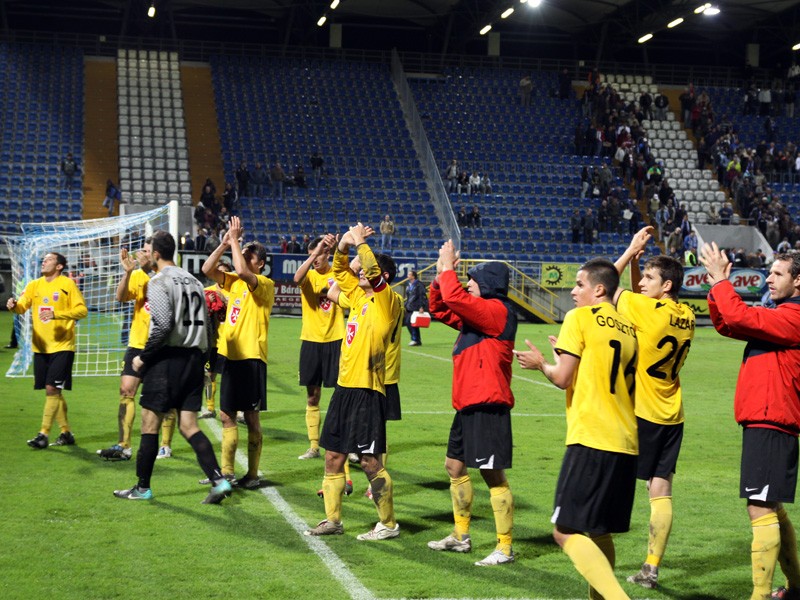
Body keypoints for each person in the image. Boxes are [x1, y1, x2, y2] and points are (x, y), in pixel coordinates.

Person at [514, 258, 638, 599]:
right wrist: (563, 358)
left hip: (592, 437)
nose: (573, 291)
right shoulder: (628, 327)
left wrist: (542, 364)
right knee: (599, 531)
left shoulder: (578, 317)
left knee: (565, 531)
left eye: (579, 284)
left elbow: (562, 378)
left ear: (599, 289)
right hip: (626, 440)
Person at [701, 244, 800, 600]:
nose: (769, 278)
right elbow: (728, 323)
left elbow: (741, 317)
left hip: (772, 421)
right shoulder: (782, 314)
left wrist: (720, 281)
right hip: (767, 421)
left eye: (778, 273)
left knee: (760, 506)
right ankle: (797, 586)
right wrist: (717, 287)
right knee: (770, 506)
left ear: (798, 281)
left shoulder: (794, 317)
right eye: (769, 272)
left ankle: (760, 595)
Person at [112, 230, 232, 504]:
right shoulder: (194, 281)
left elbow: (163, 325)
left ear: (156, 254)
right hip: (194, 359)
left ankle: (142, 487)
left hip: (168, 360)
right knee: (188, 425)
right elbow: (207, 325)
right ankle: (219, 480)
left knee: (149, 423)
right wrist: (202, 358)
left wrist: (144, 356)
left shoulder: (159, 281)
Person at [304, 223, 401, 541]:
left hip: (368, 391)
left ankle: (388, 524)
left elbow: (371, 272)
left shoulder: (387, 302)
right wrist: (343, 245)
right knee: (333, 456)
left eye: (367, 272)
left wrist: (360, 242)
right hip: (344, 388)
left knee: (370, 462)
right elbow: (341, 271)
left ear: (383, 276)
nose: (359, 273)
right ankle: (332, 520)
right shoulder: (359, 299)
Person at [613, 227, 696, 590]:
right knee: (660, 490)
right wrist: (639, 266)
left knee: (609, 477)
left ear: (667, 285)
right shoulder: (686, 315)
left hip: (642, 412)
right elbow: (640, 298)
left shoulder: (645, 310)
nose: (643, 282)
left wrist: (629, 252)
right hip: (672, 413)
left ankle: (591, 544)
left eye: (650, 277)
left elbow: (604, 287)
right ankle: (651, 568)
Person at [427, 244, 518, 567]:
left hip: (488, 404)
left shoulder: (497, 310)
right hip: (467, 404)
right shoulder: (477, 316)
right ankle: (461, 536)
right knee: (454, 467)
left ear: (489, 283)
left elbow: (454, 298)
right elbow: (440, 307)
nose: (468, 285)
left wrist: (449, 268)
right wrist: (440, 275)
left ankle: (505, 547)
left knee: (493, 474)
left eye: (473, 280)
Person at [202, 216, 275, 489]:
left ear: (260, 263)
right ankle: (227, 472)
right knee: (226, 415)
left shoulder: (263, 284)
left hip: (251, 358)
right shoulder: (233, 282)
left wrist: (235, 240)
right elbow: (207, 268)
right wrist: (224, 244)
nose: (240, 258)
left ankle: (252, 475)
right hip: (231, 357)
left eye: (247, 255)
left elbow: (244, 272)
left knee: (252, 417)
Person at [8, 252, 87, 449]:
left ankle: (43, 434)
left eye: (49, 259)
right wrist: (13, 305)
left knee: (52, 389)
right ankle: (66, 432)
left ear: (59, 266)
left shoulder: (67, 284)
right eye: (43, 259)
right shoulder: (34, 285)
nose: (44, 261)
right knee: (53, 391)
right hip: (41, 346)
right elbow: (22, 307)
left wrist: (56, 314)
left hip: (63, 345)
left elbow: (82, 310)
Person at [97, 242, 153, 461]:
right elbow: (120, 297)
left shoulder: (170, 275)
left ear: (157, 253)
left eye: (147, 251)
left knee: (160, 400)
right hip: (137, 343)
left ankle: (165, 445)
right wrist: (128, 273)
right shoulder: (138, 275)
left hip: (160, 346)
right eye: (142, 250)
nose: (142, 254)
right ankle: (124, 446)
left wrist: (148, 271)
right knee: (126, 391)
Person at [293, 237, 347, 461]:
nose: (314, 259)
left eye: (318, 255)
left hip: (336, 339)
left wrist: (339, 248)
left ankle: (344, 446)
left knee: (342, 396)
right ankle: (314, 446)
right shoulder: (309, 275)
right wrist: (314, 254)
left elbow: (349, 269)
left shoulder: (338, 273)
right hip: (311, 340)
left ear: (328, 254)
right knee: (312, 396)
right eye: (311, 255)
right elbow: (297, 278)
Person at [198, 259, 232, 420]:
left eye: (225, 272)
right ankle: (210, 408)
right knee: (209, 375)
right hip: (212, 342)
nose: (222, 275)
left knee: (232, 377)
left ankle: (237, 409)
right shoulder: (207, 291)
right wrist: (208, 303)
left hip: (231, 342)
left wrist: (225, 301)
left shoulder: (235, 291)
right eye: (219, 272)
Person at [404, 270, 427, 346]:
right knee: (413, 323)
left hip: (415, 306)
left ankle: (415, 339)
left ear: (413, 276)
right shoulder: (409, 284)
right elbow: (409, 297)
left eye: (409, 274)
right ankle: (417, 340)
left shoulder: (418, 285)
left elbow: (422, 296)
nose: (408, 276)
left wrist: (421, 306)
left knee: (410, 322)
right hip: (409, 306)